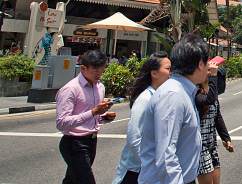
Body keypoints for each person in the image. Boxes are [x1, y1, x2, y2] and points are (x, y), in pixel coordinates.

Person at [138, 34, 210, 184]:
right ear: (200, 65)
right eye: (207, 61)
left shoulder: (183, 91)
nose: (209, 67)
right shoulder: (173, 95)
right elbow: (166, 154)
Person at [56, 49, 116, 184]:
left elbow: (93, 116)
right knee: (85, 180)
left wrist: (103, 116)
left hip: (91, 140)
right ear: (83, 68)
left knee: (72, 180)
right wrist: (94, 112)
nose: (99, 74)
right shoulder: (71, 89)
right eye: (95, 71)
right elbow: (61, 123)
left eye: (102, 70)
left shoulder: (99, 87)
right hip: (74, 143)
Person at [112, 52, 171, 184]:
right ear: (154, 73)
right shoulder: (145, 99)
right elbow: (134, 138)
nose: (170, 73)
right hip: (135, 171)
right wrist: (149, 162)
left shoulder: (159, 96)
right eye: (167, 69)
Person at [196, 62, 234, 184]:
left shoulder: (212, 91)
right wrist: (212, 77)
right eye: (209, 70)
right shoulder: (196, 92)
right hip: (199, 146)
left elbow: (218, 118)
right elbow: (209, 100)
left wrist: (226, 138)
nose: (212, 73)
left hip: (211, 144)